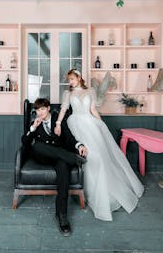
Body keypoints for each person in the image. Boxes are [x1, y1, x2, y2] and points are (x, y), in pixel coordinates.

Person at [54, 69, 144, 221]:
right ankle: (90, 190)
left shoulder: (90, 91)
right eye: (69, 80)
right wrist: (57, 123)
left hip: (91, 124)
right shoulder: (67, 94)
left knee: (101, 155)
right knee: (89, 154)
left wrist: (101, 124)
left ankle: (105, 189)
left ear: (79, 77)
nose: (70, 82)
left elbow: (93, 109)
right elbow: (63, 109)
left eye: (72, 79)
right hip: (75, 123)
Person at [22, 98, 88, 236]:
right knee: (37, 146)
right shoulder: (35, 123)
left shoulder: (59, 121)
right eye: (37, 110)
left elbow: (70, 138)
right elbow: (25, 142)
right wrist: (33, 128)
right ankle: (74, 159)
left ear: (48, 108)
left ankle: (62, 216)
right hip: (44, 157)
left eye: (42, 109)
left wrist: (79, 145)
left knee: (63, 170)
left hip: (60, 158)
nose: (40, 112)